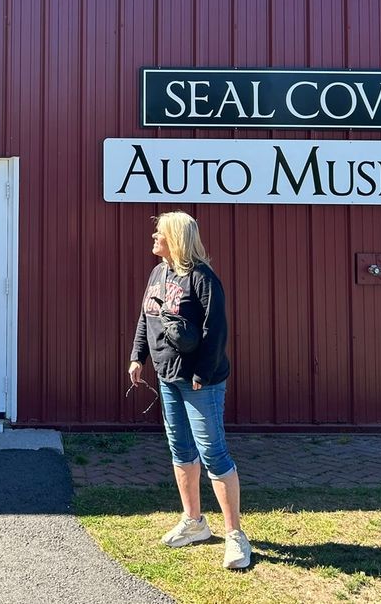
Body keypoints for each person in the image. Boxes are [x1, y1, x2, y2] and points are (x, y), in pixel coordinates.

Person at [128, 211, 252, 571]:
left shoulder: (202, 278)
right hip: (168, 378)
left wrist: (201, 372)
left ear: (176, 239)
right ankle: (194, 522)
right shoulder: (158, 273)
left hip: (201, 382)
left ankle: (235, 536)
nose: (153, 237)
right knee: (181, 450)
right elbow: (145, 317)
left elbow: (216, 331)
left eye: (159, 233)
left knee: (213, 454)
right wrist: (138, 358)